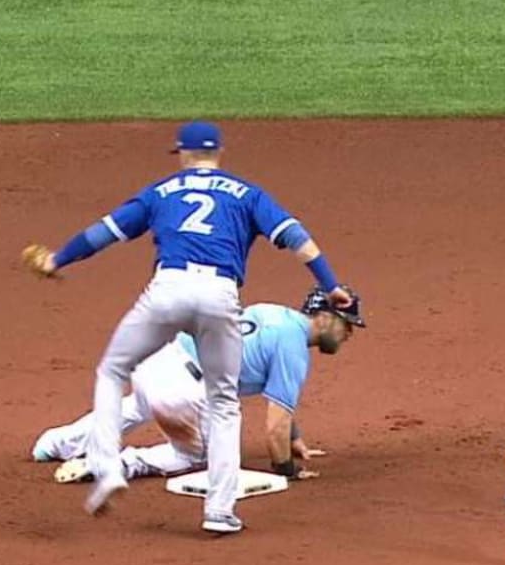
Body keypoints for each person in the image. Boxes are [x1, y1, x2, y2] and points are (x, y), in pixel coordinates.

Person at [21, 121, 352, 535]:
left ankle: (107, 468)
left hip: (168, 290)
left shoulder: (160, 191)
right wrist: (331, 285)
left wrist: (58, 260)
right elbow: (297, 238)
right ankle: (220, 511)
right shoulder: (248, 193)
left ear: (181, 153)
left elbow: (103, 233)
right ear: (219, 154)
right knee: (224, 402)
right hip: (219, 294)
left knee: (112, 371)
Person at [32, 289, 365, 483]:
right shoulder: (294, 348)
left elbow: (282, 414)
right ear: (323, 317)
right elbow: (274, 426)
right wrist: (288, 470)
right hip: (185, 387)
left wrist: (295, 439)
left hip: (159, 358)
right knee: (194, 454)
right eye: (345, 325)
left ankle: (54, 443)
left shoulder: (274, 313)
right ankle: (114, 464)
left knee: (138, 406)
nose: (348, 334)